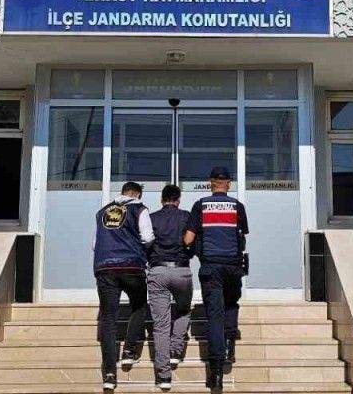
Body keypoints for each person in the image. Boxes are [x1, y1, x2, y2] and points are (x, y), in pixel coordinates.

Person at [184, 167, 248, 390]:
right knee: (231, 305)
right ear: (228, 183)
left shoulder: (200, 205)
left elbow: (188, 239)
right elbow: (242, 237)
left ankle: (217, 373)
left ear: (210, 183)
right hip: (233, 267)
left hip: (211, 268)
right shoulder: (237, 206)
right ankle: (229, 343)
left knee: (215, 318)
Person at [92, 181, 153, 391]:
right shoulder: (139, 209)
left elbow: (94, 244)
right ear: (137, 194)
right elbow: (147, 237)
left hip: (104, 268)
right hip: (131, 266)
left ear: (122, 192)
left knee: (108, 318)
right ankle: (129, 351)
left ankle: (109, 374)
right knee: (139, 305)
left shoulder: (102, 212)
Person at [146, 184, 193, 391]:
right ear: (178, 199)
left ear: (161, 199)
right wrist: (187, 256)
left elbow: (145, 243)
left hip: (158, 271)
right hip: (181, 270)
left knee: (161, 325)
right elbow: (193, 242)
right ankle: (175, 350)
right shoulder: (187, 217)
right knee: (184, 310)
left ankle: (164, 376)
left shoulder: (152, 218)